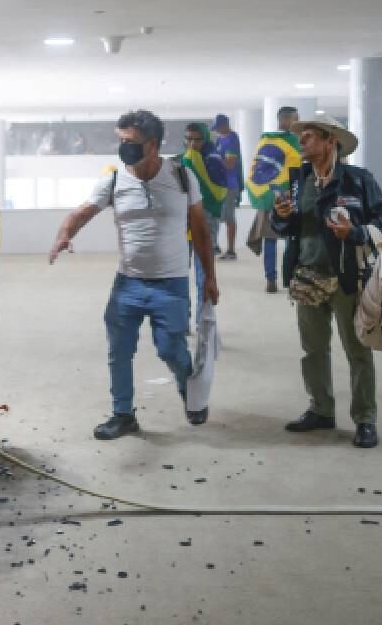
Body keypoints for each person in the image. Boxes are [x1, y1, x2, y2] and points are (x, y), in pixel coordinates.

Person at [50, 109, 220, 435]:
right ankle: (123, 414)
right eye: (121, 140)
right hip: (127, 282)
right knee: (119, 351)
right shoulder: (115, 179)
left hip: (171, 283)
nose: (124, 148)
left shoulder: (182, 177)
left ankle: (191, 392)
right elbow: (83, 211)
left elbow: (199, 229)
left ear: (152, 144)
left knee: (171, 348)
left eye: (130, 142)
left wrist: (209, 277)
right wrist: (64, 233)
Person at [271, 114, 382, 449]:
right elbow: (289, 228)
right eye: (302, 136)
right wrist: (280, 217)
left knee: (357, 350)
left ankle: (365, 419)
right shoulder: (298, 181)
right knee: (313, 350)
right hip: (307, 275)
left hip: (347, 278)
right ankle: (321, 409)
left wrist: (353, 233)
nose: (302, 142)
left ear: (331, 142)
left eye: (309, 136)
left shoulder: (357, 180)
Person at [181, 122, 225, 322]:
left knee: (204, 273)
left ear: (205, 138)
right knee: (179, 273)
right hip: (183, 220)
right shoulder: (184, 160)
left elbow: (220, 191)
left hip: (206, 219)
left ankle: (203, 321)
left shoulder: (214, 159)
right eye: (188, 139)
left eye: (197, 139)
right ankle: (182, 318)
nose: (191, 143)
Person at [259, 106, 301, 292]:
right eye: (295, 119)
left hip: (272, 194)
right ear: (286, 120)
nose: (297, 122)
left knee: (274, 238)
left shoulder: (268, 141)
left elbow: (258, 168)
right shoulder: (296, 143)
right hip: (286, 195)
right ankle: (286, 278)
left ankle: (272, 279)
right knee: (289, 238)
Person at [211, 113, 244, 260]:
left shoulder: (232, 139)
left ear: (225, 125)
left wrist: (214, 160)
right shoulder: (219, 139)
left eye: (218, 128)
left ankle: (231, 250)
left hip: (229, 185)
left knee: (229, 217)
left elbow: (230, 163)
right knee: (216, 215)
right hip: (219, 185)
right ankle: (214, 245)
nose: (217, 130)